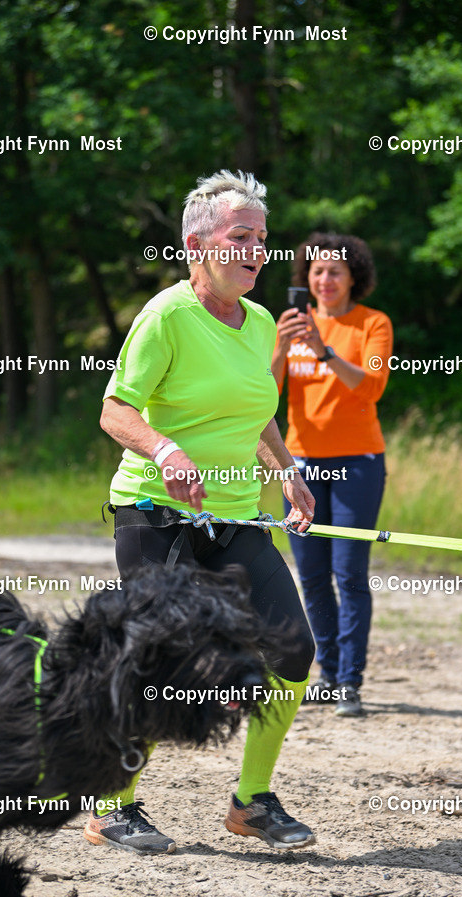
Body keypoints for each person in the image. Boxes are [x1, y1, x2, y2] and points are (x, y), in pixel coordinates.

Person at [86, 170, 318, 855]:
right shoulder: (167, 316)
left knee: (293, 649)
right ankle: (113, 807)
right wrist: (165, 450)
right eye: (240, 236)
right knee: (165, 663)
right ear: (197, 245)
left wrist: (288, 471)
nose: (256, 251)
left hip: (235, 519)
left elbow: (254, 412)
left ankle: (252, 802)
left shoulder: (258, 324)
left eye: (262, 239)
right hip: (156, 515)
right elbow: (114, 410)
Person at [272, 233, 393, 717]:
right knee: (312, 576)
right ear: (306, 277)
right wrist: (281, 347)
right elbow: (264, 394)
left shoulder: (373, 324)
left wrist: (323, 351)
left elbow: (372, 386)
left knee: (350, 573)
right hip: (300, 464)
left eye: (335, 271)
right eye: (317, 271)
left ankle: (350, 682)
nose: (325, 279)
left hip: (358, 463)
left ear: (352, 277)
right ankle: (327, 673)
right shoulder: (287, 325)